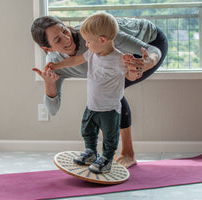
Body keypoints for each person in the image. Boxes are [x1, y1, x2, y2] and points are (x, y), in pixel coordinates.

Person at [31, 13, 168, 168]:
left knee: (109, 94)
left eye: (64, 30)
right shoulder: (56, 62)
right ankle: (97, 152)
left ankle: (127, 154)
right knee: (104, 95)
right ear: (47, 48)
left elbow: (152, 49)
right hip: (123, 53)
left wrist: (149, 61)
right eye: (58, 39)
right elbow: (52, 110)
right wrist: (49, 84)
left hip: (150, 42)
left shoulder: (97, 37)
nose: (66, 38)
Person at [47, 12, 135, 173]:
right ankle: (91, 153)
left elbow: (130, 75)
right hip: (92, 105)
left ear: (101, 40)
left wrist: (133, 69)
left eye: (88, 41)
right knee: (87, 130)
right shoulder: (92, 53)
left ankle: (107, 158)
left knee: (110, 136)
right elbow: (75, 60)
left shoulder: (118, 59)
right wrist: (56, 66)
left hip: (109, 109)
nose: (85, 45)